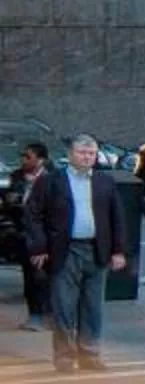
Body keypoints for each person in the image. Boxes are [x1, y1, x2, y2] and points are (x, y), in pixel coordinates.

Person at [28, 135, 125, 373]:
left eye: (91, 153)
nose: (87, 157)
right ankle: (64, 357)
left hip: (97, 250)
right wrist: (39, 246)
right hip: (64, 250)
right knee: (64, 307)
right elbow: (33, 215)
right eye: (82, 152)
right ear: (70, 155)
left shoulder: (105, 182)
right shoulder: (51, 181)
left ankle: (90, 355)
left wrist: (119, 250)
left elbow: (117, 218)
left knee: (93, 307)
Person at [7, 140, 57, 332]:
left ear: (40, 160)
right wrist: (13, 200)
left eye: (28, 157)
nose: (24, 160)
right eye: (23, 156)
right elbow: (10, 201)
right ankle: (35, 315)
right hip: (26, 233)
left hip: (48, 234)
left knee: (47, 276)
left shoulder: (53, 178)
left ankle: (50, 314)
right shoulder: (17, 176)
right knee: (30, 276)